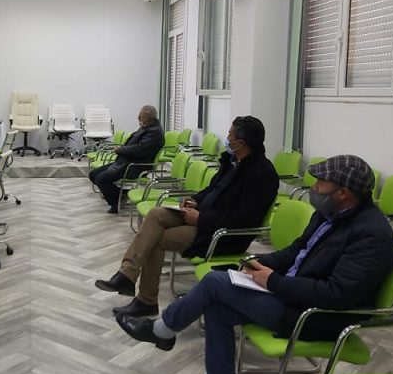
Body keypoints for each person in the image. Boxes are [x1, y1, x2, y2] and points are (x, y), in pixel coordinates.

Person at [115, 155, 393, 374]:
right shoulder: (329, 214)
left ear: (344, 193)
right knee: (217, 307)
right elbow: (295, 252)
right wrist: (256, 264)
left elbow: (336, 295)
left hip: (314, 316)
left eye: (322, 183)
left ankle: (162, 330)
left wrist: (272, 281)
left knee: (214, 283)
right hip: (292, 295)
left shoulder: (371, 235)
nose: (314, 187)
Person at [95, 116, 279, 316]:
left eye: (230, 135)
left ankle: (145, 301)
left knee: (156, 240)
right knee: (156, 214)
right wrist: (195, 200)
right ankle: (126, 274)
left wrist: (201, 218)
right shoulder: (232, 161)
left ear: (241, 143)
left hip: (221, 234)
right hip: (202, 216)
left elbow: (244, 219)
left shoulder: (263, 174)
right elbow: (213, 189)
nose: (226, 138)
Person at [88, 105, 165, 214]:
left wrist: (121, 150)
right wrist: (122, 148)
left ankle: (115, 203)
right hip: (126, 161)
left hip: (136, 166)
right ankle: (122, 194)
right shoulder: (147, 127)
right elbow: (134, 144)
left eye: (140, 116)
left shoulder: (154, 132)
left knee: (101, 179)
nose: (138, 118)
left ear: (148, 117)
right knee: (93, 175)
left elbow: (140, 149)